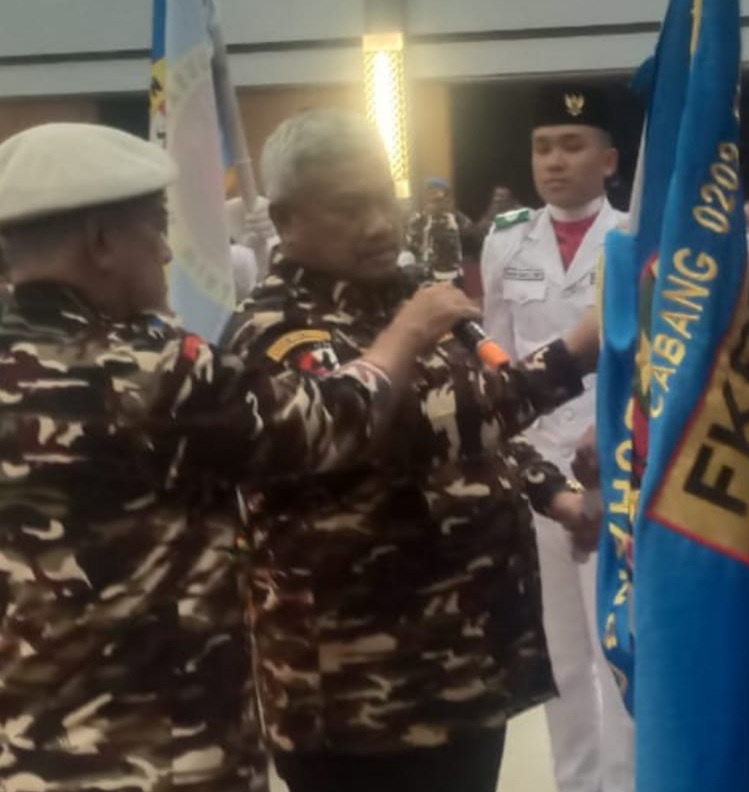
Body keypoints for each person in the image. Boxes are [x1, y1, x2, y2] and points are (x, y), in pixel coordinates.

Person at [0, 122, 484, 792]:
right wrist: (404, 335)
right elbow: (328, 423)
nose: (165, 251)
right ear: (101, 242)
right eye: (154, 229)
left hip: (27, 753)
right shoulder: (148, 370)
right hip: (159, 753)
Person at [219, 109, 602, 792]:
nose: (378, 226)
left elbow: (476, 423)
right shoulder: (273, 331)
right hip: (364, 692)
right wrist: (573, 355)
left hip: (465, 662)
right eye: (348, 209)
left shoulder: (404, 296)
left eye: (383, 201)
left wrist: (554, 494)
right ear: (285, 221)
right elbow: (395, 429)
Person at [481, 84, 635, 792]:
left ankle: (627, 782)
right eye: (543, 147)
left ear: (609, 159)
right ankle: (577, 783)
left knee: (619, 647)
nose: (555, 161)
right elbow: (498, 360)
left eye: (573, 146)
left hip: (615, 466)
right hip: (536, 472)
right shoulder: (506, 240)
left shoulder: (633, 239)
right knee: (560, 657)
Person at [404, 178, 474, 284]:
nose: (435, 202)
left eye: (439, 199)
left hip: (452, 274)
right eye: (431, 196)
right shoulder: (418, 221)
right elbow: (409, 244)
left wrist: (452, 215)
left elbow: (472, 233)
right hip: (425, 275)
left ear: (447, 200)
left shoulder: (456, 219)